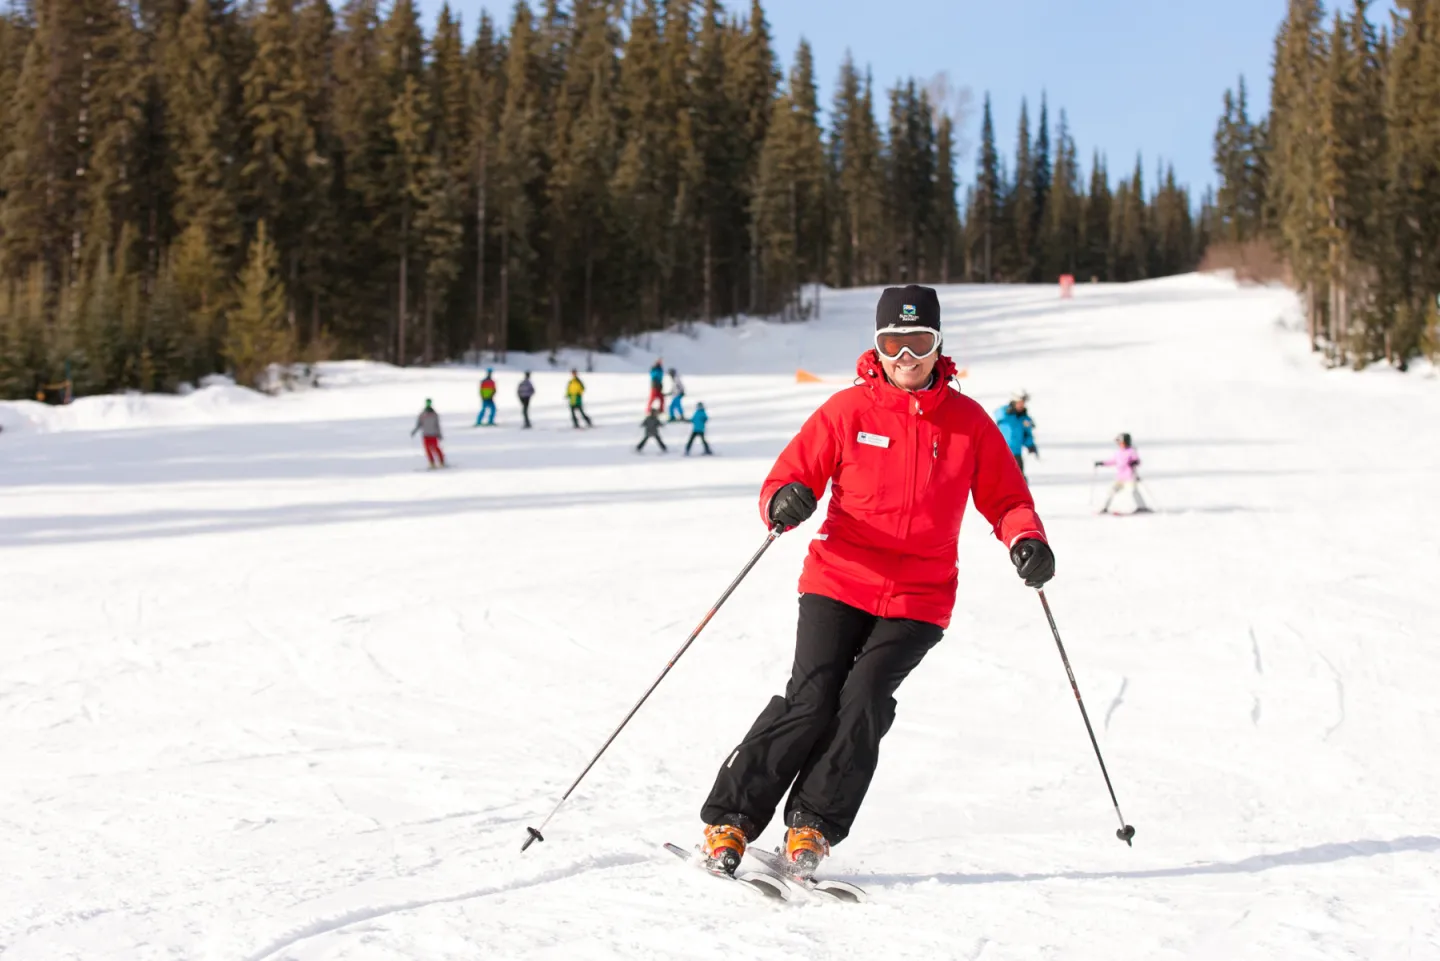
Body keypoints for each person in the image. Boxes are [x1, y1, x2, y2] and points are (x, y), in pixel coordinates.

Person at [698, 285, 1053, 878]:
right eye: (894, 342)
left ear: (939, 346)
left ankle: (812, 822)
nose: (906, 356)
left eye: (919, 341)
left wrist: (1027, 539)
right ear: (877, 346)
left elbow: (1007, 498)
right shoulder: (847, 411)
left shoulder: (968, 424)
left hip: (919, 597)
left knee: (862, 700)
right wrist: (785, 499)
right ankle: (730, 819)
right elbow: (790, 475)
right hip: (840, 578)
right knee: (811, 699)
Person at [1096, 433, 1151, 514]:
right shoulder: (1118, 452)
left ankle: (1142, 507)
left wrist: (1134, 462)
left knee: (1133, 491)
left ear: (1126, 442)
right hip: (1120, 478)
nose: (1119, 444)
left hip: (1130, 477)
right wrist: (1102, 463)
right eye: (1118, 442)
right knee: (1111, 491)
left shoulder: (1131, 451)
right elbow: (1113, 461)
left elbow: (1137, 460)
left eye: (1121, 442)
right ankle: (1104, 508)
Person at [994, 391, 1038, 477]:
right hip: (1002, 452)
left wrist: (1030, 445)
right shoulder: (1005, 413)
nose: (1021, 405)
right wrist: (1009, 410)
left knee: (1019, 478)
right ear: (1014, 402)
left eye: (1023, 403)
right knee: (1000, 477)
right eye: (1019, 403)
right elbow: (997, 414)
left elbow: (1027, 434)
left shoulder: (1024, 418)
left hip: (1016, 453)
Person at [410, 399, 446, 469]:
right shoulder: (422, 414)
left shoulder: (434, 414)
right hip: (426, 434)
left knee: (435, 448)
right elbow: (419, 424)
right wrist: (414, 431)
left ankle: (441, 461)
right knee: (428, 449)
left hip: (433, 434)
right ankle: (432, 462)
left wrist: (439, 434)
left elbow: (437, 425)